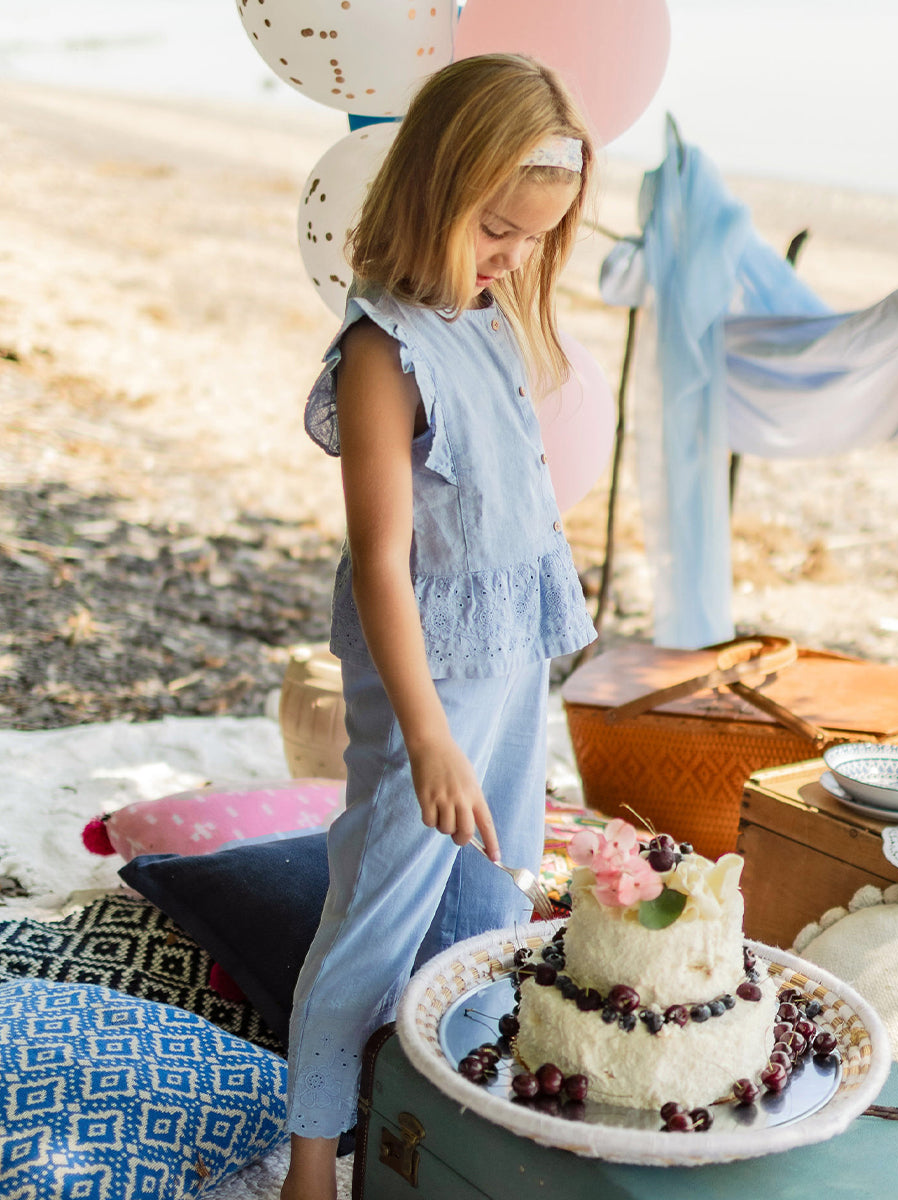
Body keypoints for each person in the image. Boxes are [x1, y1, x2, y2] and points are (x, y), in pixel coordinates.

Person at [281, 54, 597, 1200]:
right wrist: (427, 736)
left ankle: (433, 1119)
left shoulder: (490, 321)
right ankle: (311, 1160)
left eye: (533, 240)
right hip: (431, 680)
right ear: (431, 191)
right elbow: (380, 561)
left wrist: (505, 720)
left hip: (508, 668)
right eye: (497, 230)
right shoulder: (384, 348)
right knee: (377, 910)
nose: (512, 259)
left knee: (490, 903)